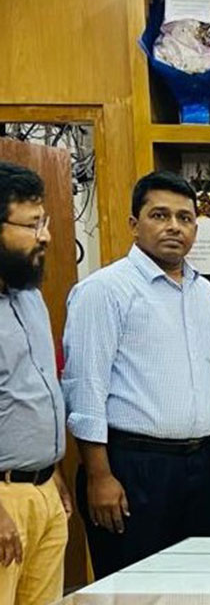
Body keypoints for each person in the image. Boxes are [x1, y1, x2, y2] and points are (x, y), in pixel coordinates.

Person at [62, 170, 210, 578]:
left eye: (185, 218)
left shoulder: (206, 294)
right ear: (135, 224)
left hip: (201, 466)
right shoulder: (104, 291)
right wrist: (99, 475)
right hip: (132, 468)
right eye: (159, 215)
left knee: (199, 587)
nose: (174, 227)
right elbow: (85, 388)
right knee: (135, 586)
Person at [0, 162, 72, 603]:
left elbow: (35, 394)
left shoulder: (30, 297)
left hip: (42, 491)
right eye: (31, 225)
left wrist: (52, 469)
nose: (44, 236)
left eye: (44, 223)